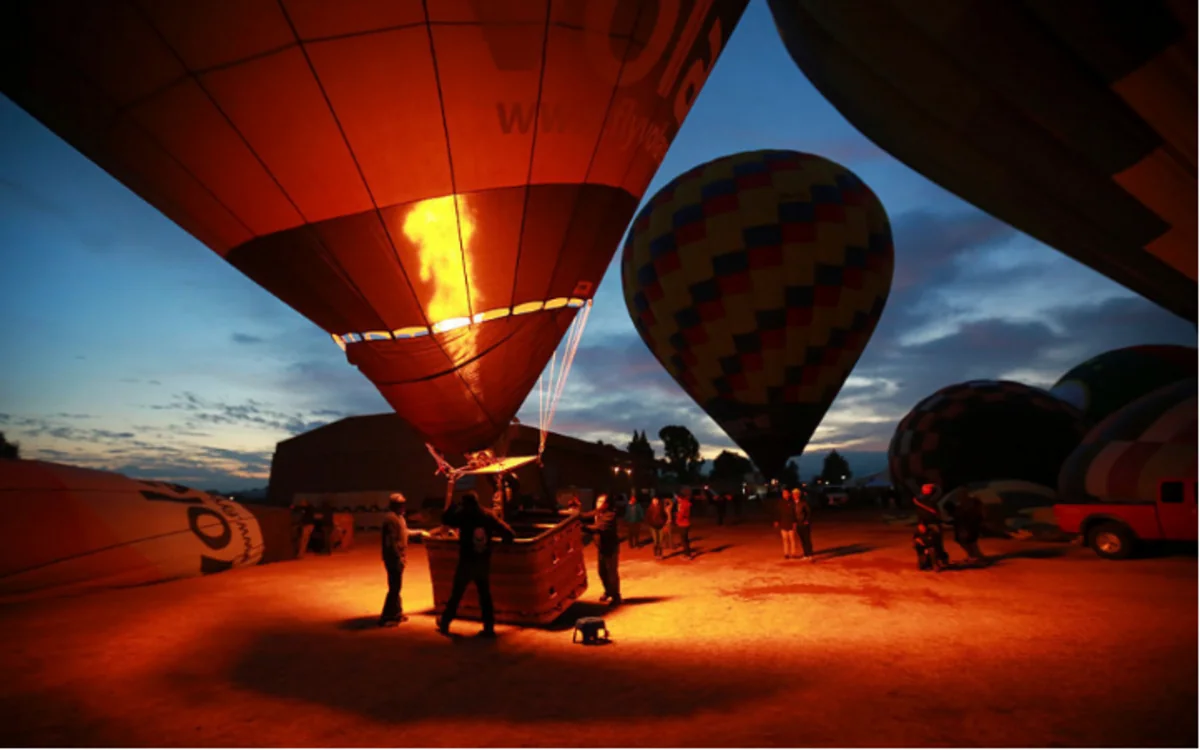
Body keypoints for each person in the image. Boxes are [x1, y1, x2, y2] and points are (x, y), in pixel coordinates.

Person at [437, 492, 516, 638]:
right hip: (482, 562)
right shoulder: (488, 515)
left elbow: (446, 519)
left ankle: (445, 623)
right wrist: (499, 545)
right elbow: (509, 533)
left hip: (466, 562)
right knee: (485, 597)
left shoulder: (463, 515)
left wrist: (452, 506)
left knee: (456, 595)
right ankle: (489, 628)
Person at [585, 494, 622, 604]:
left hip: (610, 548)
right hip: (601, 547)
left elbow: (598, 528)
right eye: (598, 501)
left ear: (606, 504)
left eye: (601, 501)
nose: (598, 503)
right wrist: (573, 514)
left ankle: (616, 596)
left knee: (611, 573)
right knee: (602, 572)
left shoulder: (610, 515)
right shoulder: (597, 512)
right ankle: (608, 591)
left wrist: (582, 527)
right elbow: (584, 515)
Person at [379, 493, 409, 627]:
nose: (403, 507)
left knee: (397, 586)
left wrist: (420, 532)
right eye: (401, 505)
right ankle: (386, 616)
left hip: (399, 557)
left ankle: (397, 613)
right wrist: (398, 558)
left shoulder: (399, 518)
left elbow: (404, 532)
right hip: (393, 559)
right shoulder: (390, 519)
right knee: (394, 587)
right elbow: (391, 543)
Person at [949, 492, 986, 562]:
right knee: (969, 542)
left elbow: (969, 516)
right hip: (966, 527)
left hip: (968, 527)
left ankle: (976, 556)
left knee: (969, 541)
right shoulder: (965, 506)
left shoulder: (971, 506)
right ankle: (974, 555)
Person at [774, 490, 797, 559]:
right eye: (783, 493)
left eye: (786, 493)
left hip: (791, 523)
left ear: (789, 494)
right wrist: (776, 521)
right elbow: (777, 512)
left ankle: (793, 553)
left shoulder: (792, 503)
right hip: (783, 523)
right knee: (785, 539)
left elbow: (795, 513)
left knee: (792, 539)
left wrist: (794, 522)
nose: (785, 495)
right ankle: (786, 553)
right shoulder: (780, 503)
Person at [794, 488, 815, 562]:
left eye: (796, 494)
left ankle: (810, 555)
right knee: (802, 540)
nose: (795, 495)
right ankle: (806, 554)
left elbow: (809, 512)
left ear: (799, 495)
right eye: (794, 494)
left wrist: (806, 520)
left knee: (807, 540)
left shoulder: (803, 503)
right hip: (798, 524)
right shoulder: (793, 503)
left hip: (804, 524)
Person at [645, 495, 668, 559]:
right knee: (655, 541)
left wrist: (663, 523)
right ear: (652, 501)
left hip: (660, 526)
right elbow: (647, 517)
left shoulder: (661, 508)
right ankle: (655, 554)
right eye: (654, 500)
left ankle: (660, 554)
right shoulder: (649, 509)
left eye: (656, 500)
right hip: (653, 527)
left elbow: (665, 516)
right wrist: (651, 523)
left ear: (658, 501)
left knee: (660, 541)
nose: (655, 501)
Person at [674, 491, 693, 558]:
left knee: (684, 540)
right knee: (685, 539)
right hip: (686, 523)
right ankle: (687, 553)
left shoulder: (682, 504)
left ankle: (688, 554)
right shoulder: (686, 503)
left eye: (677, 498)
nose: (677, 499)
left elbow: (681, 514)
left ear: (680, 498)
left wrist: (677, 517)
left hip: (683, 524)